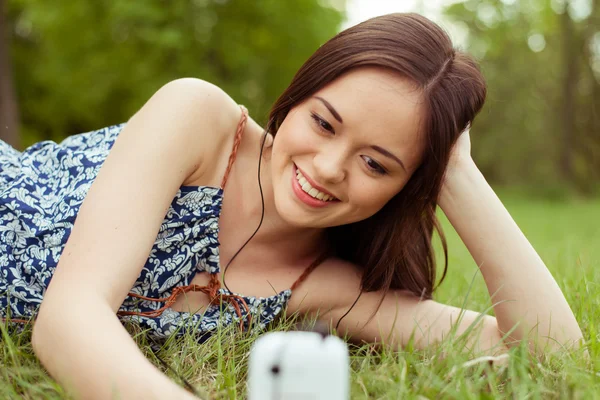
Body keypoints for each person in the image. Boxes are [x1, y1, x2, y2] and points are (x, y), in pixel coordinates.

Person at [0, 12, 583, 400]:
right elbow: (67, 316)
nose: (329, 167)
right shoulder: (197, 121)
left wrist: (455, 173)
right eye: (323, 123)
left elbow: (549, 353)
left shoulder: (326, 285)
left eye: (377, 164)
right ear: (297, 95)